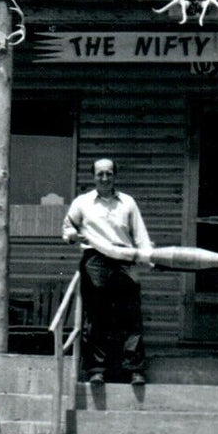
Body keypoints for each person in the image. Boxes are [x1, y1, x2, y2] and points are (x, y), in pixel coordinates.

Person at [62, 158, 154, 385]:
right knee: (96, 315)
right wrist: (74, 235)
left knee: (130, 315)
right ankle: (96, 370)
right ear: (93, 176)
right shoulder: (82, 203)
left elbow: (139, 234)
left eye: (109, 174)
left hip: (124, 259)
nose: (104, 178)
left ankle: (134, 369)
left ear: (115, 176)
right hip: (95, 259)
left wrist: (148, 256)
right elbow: (67, 228)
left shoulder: (127, 203)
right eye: (100, 174)